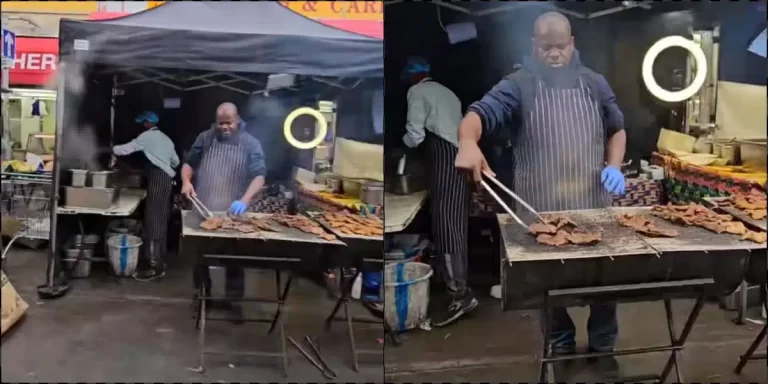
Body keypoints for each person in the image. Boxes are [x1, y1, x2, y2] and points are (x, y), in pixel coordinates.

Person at [454, 12, 627, 377]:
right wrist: (468, 142)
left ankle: (603, 346)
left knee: (604, 286)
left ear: (572, 44)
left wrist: (614, 165)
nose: (554, 54)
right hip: (540, 214)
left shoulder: (594, 84)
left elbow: (617, 129)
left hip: (593, 207)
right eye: (546, 47)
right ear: (535, 46)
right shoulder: (519, 84)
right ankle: (560, 345)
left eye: (560, 46)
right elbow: (477, 115)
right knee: (550, 292)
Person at [400, 56, 477, 327]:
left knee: (445, 225)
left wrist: (403, 146)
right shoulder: (448, 93)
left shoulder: (417, 91)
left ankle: (460, 295)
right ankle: (461, 288)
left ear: (412, 76)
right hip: (460, 158)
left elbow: (416, 133)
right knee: (457, 224)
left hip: (445, 157)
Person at [181, 102, 266, 321]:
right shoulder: (205, 138)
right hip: (203, 208)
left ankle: (234, 303)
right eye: (220, 123)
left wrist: (245, 200)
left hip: (232, 213)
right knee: (200, 258)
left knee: (234, 259)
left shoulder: (250, 143)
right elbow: (189, 163)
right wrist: (186, 182)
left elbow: (259, 176)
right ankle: (201, 298)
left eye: (229, 123)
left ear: (237, 120)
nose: (224, 127)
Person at [113, 111, 180, 281]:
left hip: (157, 178)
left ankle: (154, 266)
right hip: (167, 181)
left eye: (144, 123)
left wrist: (112, 149)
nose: (143, 125)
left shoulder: (146, 137)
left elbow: (127, 149)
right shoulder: (167, 139)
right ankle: (161, 261)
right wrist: (163, 161)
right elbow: (176, 162)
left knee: (153, 220)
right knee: (162, 219)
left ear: (149, 123)